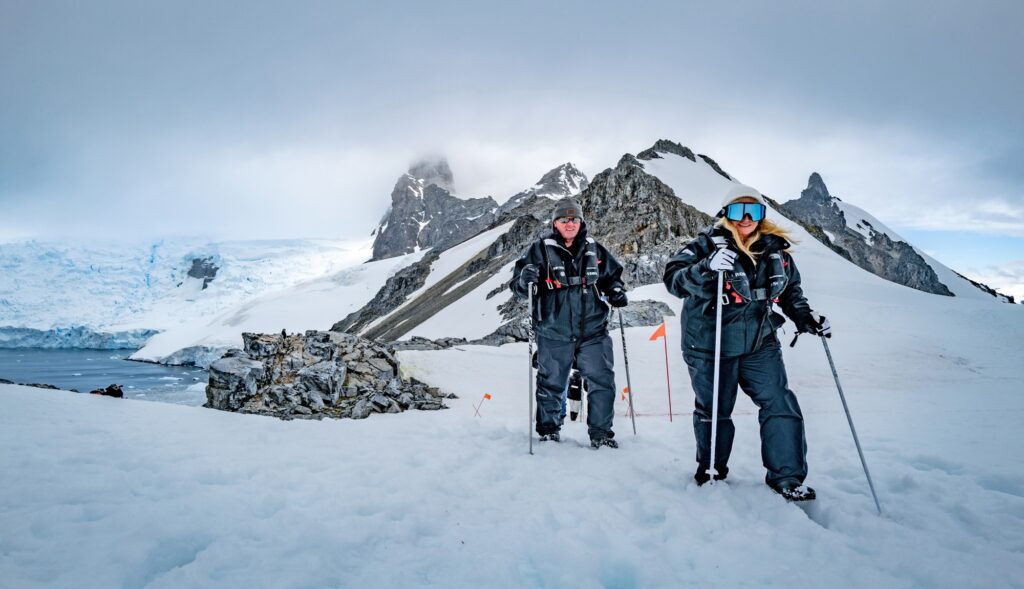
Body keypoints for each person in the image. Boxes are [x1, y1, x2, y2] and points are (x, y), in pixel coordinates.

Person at [662, 185, 831, 501]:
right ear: (726, 214)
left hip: (759, 342)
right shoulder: (704, 247)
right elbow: (674, 280)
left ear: (763, 216)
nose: (746, 219)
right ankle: (711, 471)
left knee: (779, 402)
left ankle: (787, 478)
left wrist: (807, 318)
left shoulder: (775, 251)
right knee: (715, 410)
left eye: (754, 211)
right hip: (710, 344)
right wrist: (706, 268)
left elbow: (790, 292)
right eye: (739, 211)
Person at [512, 198, 627, 448]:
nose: (570, 223)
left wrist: (616, 290)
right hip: (553, 330)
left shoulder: (594, 249)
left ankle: (601, 434)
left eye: (574, 218)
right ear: (555, 223)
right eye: (564, 219)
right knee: (551, 382)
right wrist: (525, 280)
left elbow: (612, 276)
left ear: (581, 221)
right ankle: (549, 431)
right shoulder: (540, 250)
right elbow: (519, 288)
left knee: (602, 380)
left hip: (594, 331)